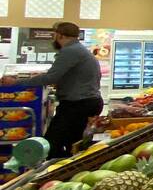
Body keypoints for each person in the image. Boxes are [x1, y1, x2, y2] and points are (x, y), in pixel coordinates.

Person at [1, 22, 103, 159]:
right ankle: (68, 169)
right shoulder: (79, 50)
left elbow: (51, 77)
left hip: (78, 104)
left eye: (54, 35)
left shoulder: (70, 51)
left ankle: (58, 172)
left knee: (52, 144)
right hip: (87, 102)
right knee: (72, 142)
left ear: (59, 35)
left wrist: (16, 82)